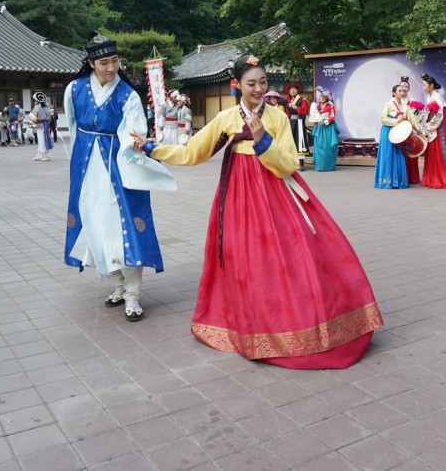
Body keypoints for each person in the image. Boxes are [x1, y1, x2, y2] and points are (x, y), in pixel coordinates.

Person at [133, 54, 383, 369]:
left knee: (286, 256)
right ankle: (248, 323)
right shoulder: (226, 119)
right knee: (242, 257)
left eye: (263, 82)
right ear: (236, 85)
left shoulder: (277, 117)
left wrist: (263, 140)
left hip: (274, 194)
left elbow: (290, 164)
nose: (258, 89)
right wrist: (152, 148)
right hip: (238, 196)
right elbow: (194, 153)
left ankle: (292, 322)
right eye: (252, 83)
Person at [64, 32, 177, 322]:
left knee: (123, 223)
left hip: (118, 164)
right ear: (91, 63)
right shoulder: (74, 89)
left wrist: (128, 148)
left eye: (115, 61)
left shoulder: (127, 94)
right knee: (93, 221)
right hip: (86, 165)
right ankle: (117, 283)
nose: (112, 67)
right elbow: (73, 127)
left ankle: (133, 294)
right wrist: (80, 159)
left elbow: (133, 130)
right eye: (104, 62)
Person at [374, 83, 411, 190]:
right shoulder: (389, 104)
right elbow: (383, 119)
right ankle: (387, 181)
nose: (402, 92)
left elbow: (412, 120)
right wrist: (396, 120)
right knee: (388, 154)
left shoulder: (405, 106)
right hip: (388, 131)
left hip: (399, 133)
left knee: (398, 154)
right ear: (393, 93)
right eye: (399, 91)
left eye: (403, 91)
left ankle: (398, 181)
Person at [311, 87, 339, 172]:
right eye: (321, 96)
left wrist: (325, 122)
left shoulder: (330, 106)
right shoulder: (317, 107)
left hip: (328, 128)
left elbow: (333, 117)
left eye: (324, 97)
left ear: (327, 98)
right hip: (319, 128)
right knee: (318, 146)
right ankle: (319, 166)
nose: (322, 98)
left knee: (328, 147)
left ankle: (328, 166)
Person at [283, 82, 309, 169]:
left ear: (297, 91)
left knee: (300, 141)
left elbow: (304, 111)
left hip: (299, 122)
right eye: (291, 89)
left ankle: (301, 164)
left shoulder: (303, 100)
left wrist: (295, 107)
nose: (292, 91)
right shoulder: (288, 101)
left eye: (294, 89)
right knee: (291, 141)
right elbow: (287, 114)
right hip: (291, 123)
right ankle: (292, 162)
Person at [31, 92, 53, 161]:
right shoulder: (47, 107)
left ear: (37, 100)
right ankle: (43, 155)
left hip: (39, 125)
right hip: (46, 125)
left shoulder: (37, 107)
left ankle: (42, 155)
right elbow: (50, 118)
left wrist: (33, 124)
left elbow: (32, 118)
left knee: (41, 140)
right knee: (46, 139)